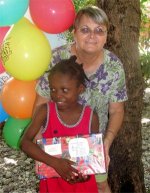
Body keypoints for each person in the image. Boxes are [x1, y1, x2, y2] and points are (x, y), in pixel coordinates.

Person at [33, 5, 128, 193]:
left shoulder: (114, 67)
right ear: (74, 33)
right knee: (56, 186)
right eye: (85, 29)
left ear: (106, 35)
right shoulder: (55, 59)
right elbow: (41, 103)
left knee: (99, 185)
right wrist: (39, 145)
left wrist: (106, 143)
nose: (92, 36)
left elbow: (116, 110)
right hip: (56, 143)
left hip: (93, 145)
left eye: (99, 30)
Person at [21, 56, 100, 193]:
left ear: (80, 89)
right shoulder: (45, 111)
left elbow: (93, 156)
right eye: (53, 89)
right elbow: (25, 143)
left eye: (64, 90)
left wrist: (84, 175)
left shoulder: (91, 117)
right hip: (53, 184)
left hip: (81, 186)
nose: (57, 95)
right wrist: (55, 163)